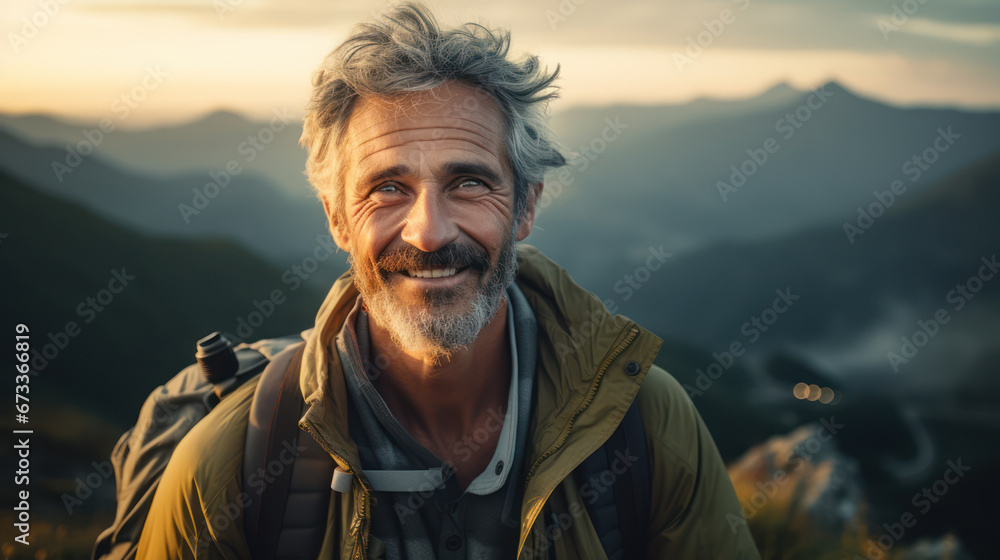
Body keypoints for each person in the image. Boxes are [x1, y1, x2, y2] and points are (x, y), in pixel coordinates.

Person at [136, 3, 761, 558]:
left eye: (468, 182)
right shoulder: (231, 464)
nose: (429, 232)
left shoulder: (648, 424)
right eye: (387, 188)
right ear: (336, 219)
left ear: (525, 207)